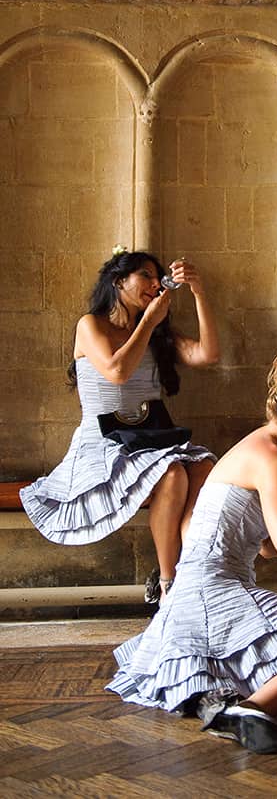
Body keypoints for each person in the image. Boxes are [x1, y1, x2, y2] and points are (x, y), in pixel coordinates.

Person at [106, 349, 277, 754]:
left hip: (204, 589)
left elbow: (264, 546)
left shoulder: (261, 446)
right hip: (211, 590)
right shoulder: (271, 457)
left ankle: (241, 705)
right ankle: (248, 710)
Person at [20, 247, 219, 602]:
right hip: (105, 441)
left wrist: (199, 293)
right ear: (118, 281)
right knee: (172, 473)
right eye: (145, 275)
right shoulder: (90, 325)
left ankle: (189, 568)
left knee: (203, 469)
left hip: (151, 435)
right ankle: (169, 585)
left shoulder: (159, 335)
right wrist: (149, 322)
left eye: (158, 279)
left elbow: (208, 354)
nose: (156, 284)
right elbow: (116, 371)